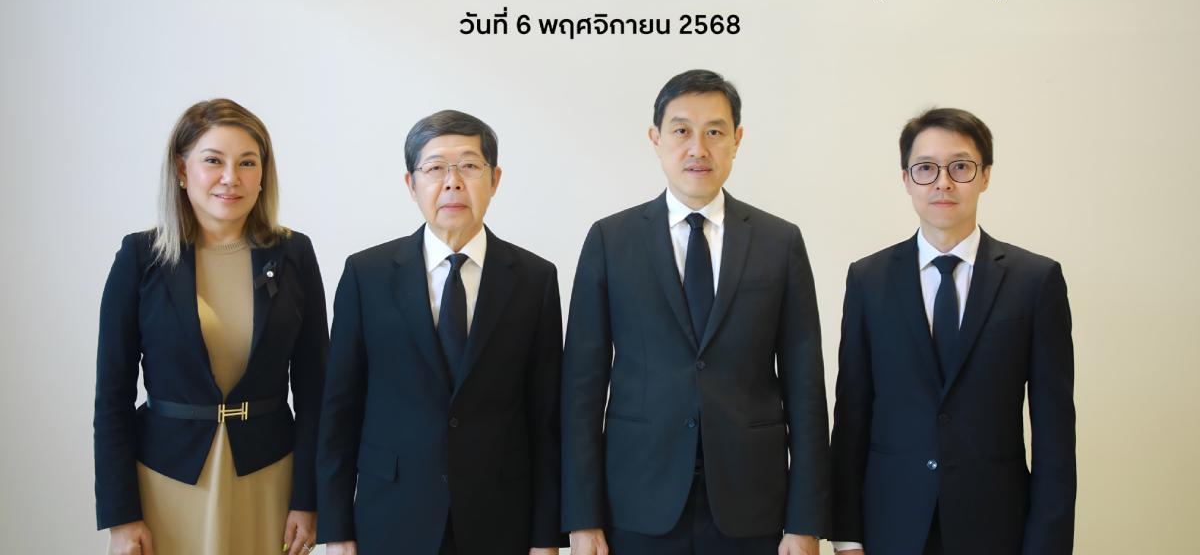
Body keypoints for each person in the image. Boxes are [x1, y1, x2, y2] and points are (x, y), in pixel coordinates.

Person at [562, 70, 831, 555]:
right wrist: (582, 518)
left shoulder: (779, 241)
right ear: (656, 139)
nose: (698, 148)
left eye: (715, 132)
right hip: (636, 501)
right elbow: (581, 388)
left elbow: (806, 389)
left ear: (737, 140)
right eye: (681, 130)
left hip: (753, 504)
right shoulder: (610, 240)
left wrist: (805, 521)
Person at [315, 110, 567, 555]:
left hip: (500, 520)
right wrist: (336, 530)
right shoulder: (366, 275)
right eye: (435, 168)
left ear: (495, 179)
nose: (452, 182)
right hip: (391, 515)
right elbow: (339, 409)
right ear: (411, 184)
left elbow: (546, 417)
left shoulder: (535, 279)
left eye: (469, 166)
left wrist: (546, 538)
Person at [829, 108, 1076, 555]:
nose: (943, 182)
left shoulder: (1035, 281)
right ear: (906, 180)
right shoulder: (868, 280)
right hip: (891, 527)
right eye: (926, 168)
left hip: (997, 528)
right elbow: (852, 417)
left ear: (985, 176)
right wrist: (847, 536)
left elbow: (1055, 433)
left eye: (960, 167)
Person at [94, 99, 330, 555]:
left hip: (267, 478)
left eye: (247, 162)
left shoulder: (294, 254)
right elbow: (112, 399)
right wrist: (121, 516)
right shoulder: (140, 258)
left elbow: (315, 394)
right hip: (166, 482)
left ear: (263, 174)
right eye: (213, 161)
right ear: (182, 170)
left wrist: (309, 499)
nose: (231, 178)